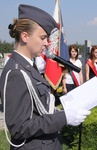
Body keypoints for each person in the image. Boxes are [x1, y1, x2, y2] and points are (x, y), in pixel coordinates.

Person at [0, 4, 91, 150]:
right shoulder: (16, 73)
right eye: (43, 37)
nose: (47, 43)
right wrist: (64, 118)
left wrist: (62, 113)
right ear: (25, 36)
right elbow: (19, 128)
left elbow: (37, 110)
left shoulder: (28, 66)